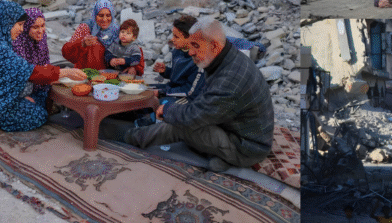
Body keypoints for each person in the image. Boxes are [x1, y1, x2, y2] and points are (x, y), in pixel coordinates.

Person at [115, 19, 274, 172]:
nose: (190, 52)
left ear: (214, 45)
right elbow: (206, 102)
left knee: (181, 125)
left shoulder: (230, 78)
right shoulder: (226, 56)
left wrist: (169, 110)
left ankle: (129, 138)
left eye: (196, 46)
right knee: (185, 116)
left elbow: (194, 117)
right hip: (235, 128)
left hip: (246, 147)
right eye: (190, 45)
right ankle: (221, 158)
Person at [0, 1, 86, 134]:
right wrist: (65, 72)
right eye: (19, 25)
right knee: (38, 115)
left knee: (38, 104)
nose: (21, 29)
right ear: (6, 22)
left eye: (23, 25)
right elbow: (29, 72)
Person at [62, 0, 144, 75]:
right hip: (86, 76)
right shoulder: (85, 28)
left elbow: (134, 50)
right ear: (95, 15)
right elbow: (67, 53)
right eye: (101, 15)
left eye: (108, 15)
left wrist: (133, 67)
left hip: (109, 78)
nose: (105, 19)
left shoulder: (117, 31)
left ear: (112, 15)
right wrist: (82, 43)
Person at [11, 8, 52, 110]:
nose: (40, 31)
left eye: (43, 26)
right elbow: (19, 76)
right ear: (26, 27)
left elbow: (45, 63)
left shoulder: (42, 38)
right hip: (18, 89)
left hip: (36, 84)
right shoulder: (17, 43)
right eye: (35, 27)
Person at [153, 15, 201, 96]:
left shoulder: (198, 60)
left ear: (190, 38)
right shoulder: (177, 51)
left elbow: (189, 90)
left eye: (176, 37)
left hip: (184, 95)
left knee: (152, 102)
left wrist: (161, 93)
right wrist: (165, 71)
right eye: (173, 35)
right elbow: (179, 77)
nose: (172, 39)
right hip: (172, 88)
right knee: (143, 89)